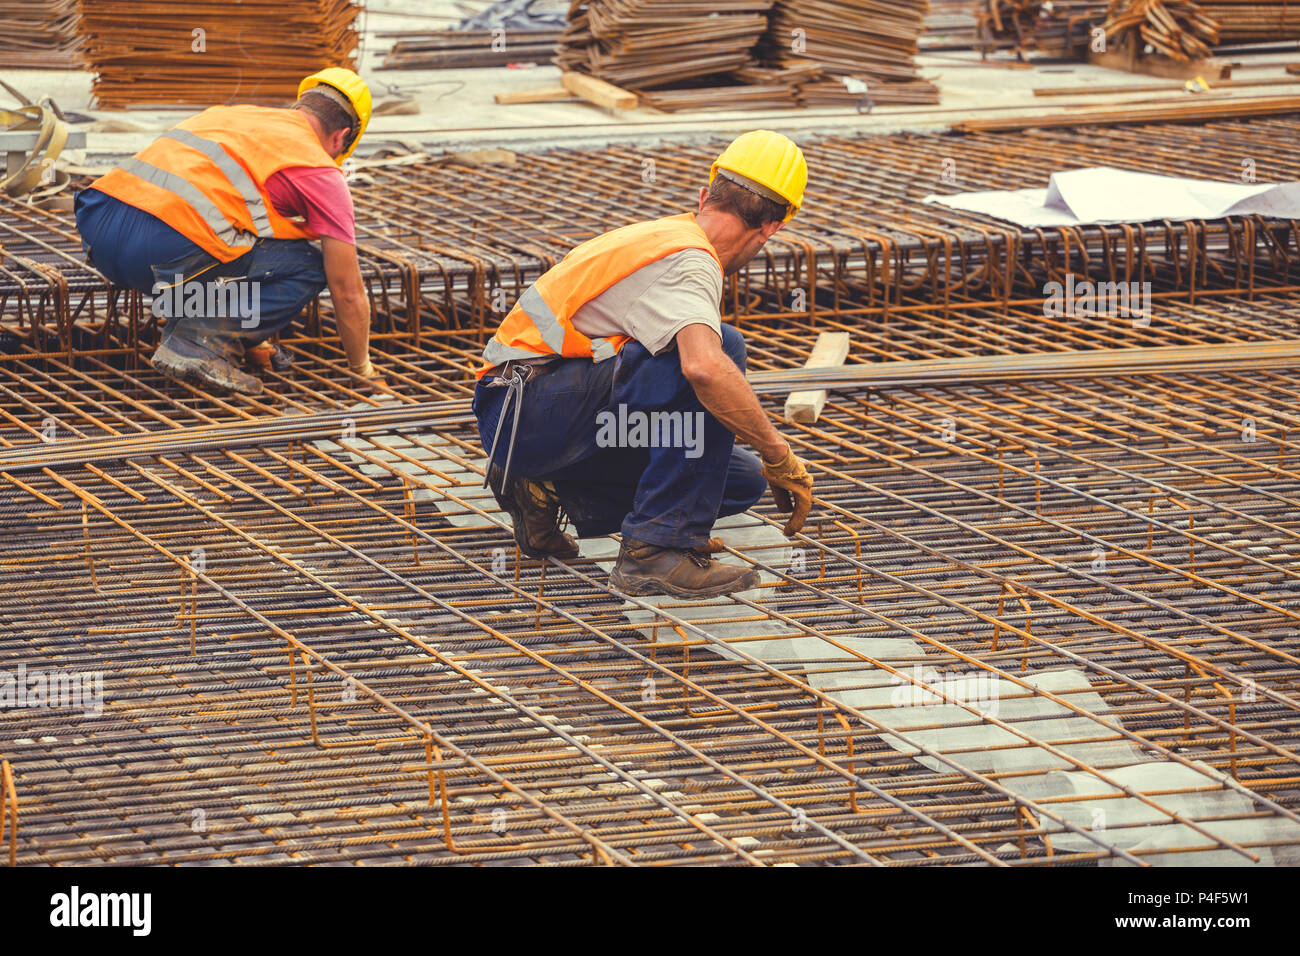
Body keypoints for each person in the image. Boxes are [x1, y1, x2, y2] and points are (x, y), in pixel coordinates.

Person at [473, 130, 815, 599]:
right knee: (720, 351)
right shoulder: (691, 262)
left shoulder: (666, 235)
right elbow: (703, 369)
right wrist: (780, 454)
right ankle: (655, 551)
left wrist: (764, 465)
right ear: (773, 227)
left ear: (705, 195)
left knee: (737, 480)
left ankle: (542, 489)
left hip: (524, 413)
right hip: (525, 411)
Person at [74, 68, 381, 396]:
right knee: (310, 266)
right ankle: (201, 340)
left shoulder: (230, 116)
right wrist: (363, 371)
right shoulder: (319, 169)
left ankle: (198, 330)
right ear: (340, 137)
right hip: (162, 250)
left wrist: (251, 336)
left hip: (99, 231)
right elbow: (347, 289)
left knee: (228, 238)